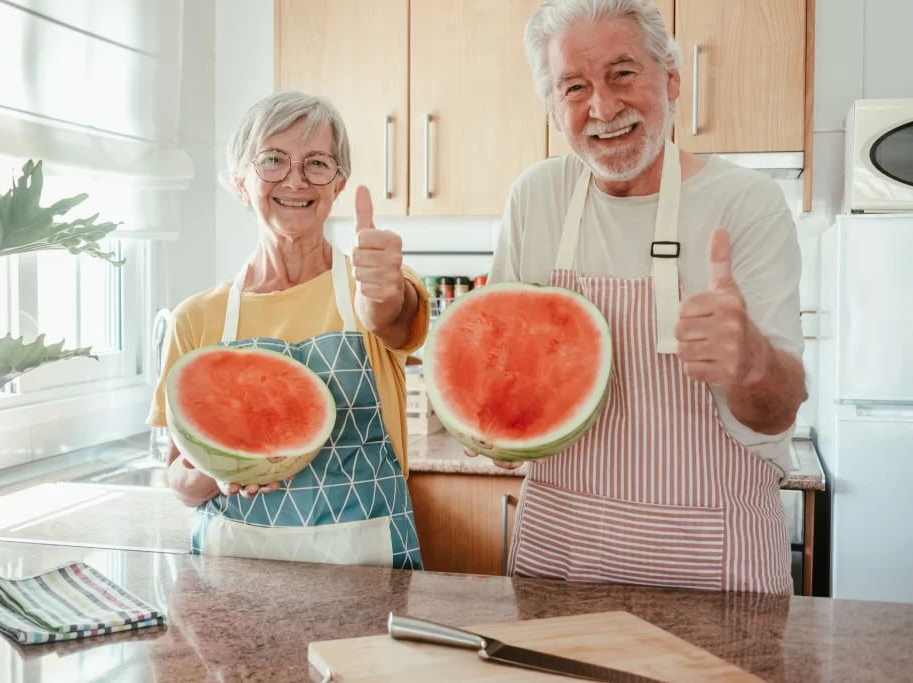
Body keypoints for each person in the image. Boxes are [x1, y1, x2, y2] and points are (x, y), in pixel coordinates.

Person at [467, 0, 807, 594]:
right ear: (553, 108)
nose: (603, 107)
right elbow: (500, 377)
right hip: (559, 553)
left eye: (623, 73)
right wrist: (492, 428)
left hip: (712, 559)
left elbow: (779, 411)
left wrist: (750, 362)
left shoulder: (746, 203)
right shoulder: (536, 197)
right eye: (574, 86)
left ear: (672, 78)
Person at [148, 91, 430, 570]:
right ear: (240, 183)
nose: (295, 180)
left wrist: (381, 295)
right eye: (273, 161)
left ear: (338, 184)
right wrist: (214, 475)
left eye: (317, 163)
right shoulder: (195, 318)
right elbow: (178, 475)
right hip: (234, 570)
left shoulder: (375, 287)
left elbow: (391, 317)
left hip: (367, 566)